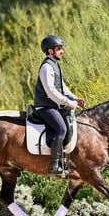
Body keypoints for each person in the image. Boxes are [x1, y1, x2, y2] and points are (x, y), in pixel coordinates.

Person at [34, 35, 85, 176]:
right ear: (50, 51)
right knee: (61, 129)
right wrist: (68, 103)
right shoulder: (46, 67)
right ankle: (54, 165)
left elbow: (62, 87)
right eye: (59, 49)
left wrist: (75, 98)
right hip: (44, 106)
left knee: (70, 124)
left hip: (53, 106)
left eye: (61, 48)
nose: (62, 51)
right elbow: (50, 91)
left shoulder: (55, 65)